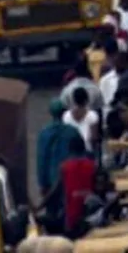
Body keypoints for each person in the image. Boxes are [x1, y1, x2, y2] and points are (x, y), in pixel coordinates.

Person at [36, 99, 82, 234]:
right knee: (70, 212)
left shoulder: (44, 134)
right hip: (70, 178)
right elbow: (80, 154)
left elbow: (41, 159)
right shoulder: (73, 131)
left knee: (52, 214)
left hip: (50, 181)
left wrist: (42, 184)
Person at [55, 136, 97, 238]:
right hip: (91, 214)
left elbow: (56, 189)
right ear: (83, 149)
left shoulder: (64, 167)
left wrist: (40, 206)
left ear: (69, 149)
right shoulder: (93, 166)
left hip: (72, 215)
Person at [62, 85, 99, 153]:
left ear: (74, 100)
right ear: (86, 100)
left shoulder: (66, 116)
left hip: (71, 150)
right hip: (87, 150)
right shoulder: (92, 115)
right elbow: (94, 138)